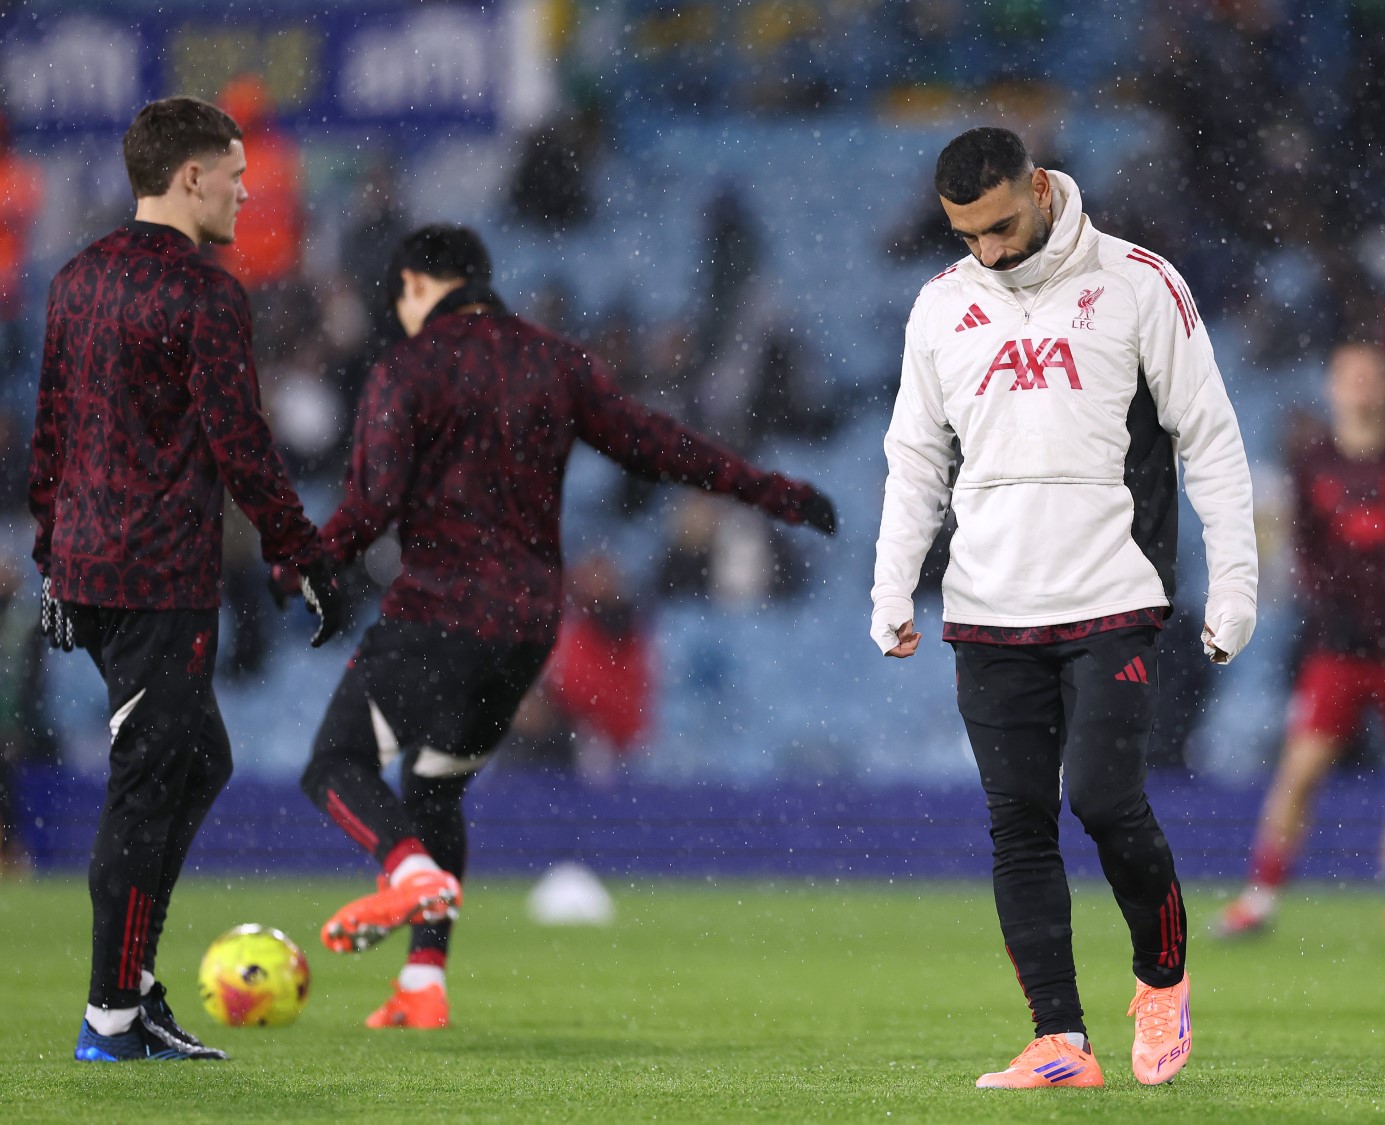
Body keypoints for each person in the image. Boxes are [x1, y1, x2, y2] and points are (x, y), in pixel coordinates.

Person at [292, 225, 836, 1029]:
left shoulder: (406, 366)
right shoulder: (554, 360)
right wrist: (767, 488)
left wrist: (304, 561)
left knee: (335, 764)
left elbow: (369, 504)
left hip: (440, 606)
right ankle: (423, 983)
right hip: (527, 625)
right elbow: (654, 446)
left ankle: (405, 871)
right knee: (435, 784)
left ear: (419, 286)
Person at [872, 127, 1257, 1090]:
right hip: (988, 603)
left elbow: (1208, 435)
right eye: (968, 236)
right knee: (1018, 822)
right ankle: (1061, 1041)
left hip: (1112, 591)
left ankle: (1161, 977)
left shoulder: (1138, 282)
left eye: (1002, 225)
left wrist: (1239, 580)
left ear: (1039, 187)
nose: (990, 251)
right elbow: (916, 458)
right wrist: (891, 583)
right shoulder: (939, 308)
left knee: (1102, 796)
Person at [29, 96, 351, 1062]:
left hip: (90, 570)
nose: (250, 191)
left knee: (194, 758)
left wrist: (52, 558)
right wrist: (300, 550)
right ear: (191, 176)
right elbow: (242, 445)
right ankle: (112, 1017)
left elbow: (49, 434)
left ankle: (128, 991)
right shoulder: (206, 293)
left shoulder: (77, 279)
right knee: (151, 779)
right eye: (237, 173)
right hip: (158, 572)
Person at [1214, 342, 1385, 946]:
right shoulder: (1312, 464)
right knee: (1300, 771)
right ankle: (1260, 896)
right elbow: (1302, 551)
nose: (1360, 387)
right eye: (1349, 376)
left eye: (1370, 377)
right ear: (1331, 388)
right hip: (1338, 647)